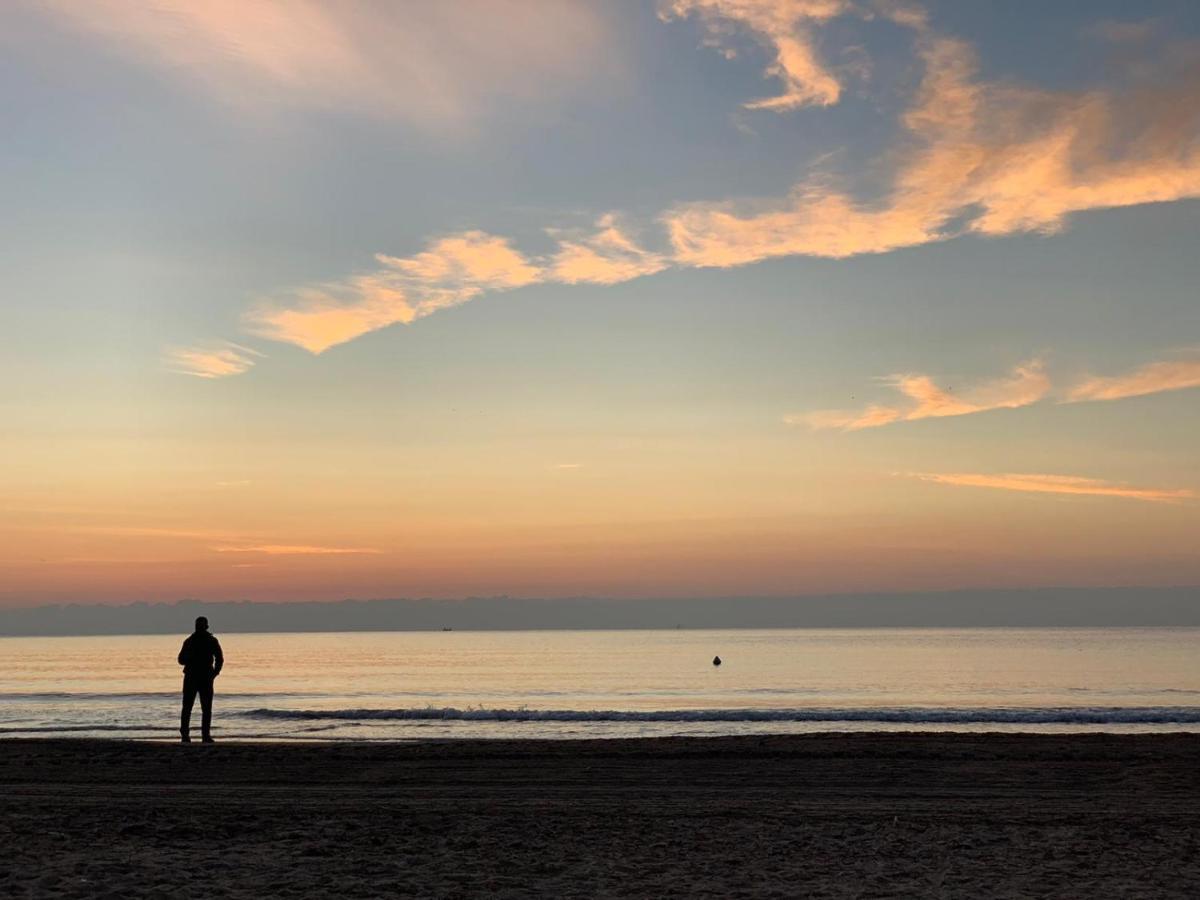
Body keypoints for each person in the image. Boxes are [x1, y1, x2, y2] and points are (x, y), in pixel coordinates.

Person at [178, 616, 223, 743]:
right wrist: (215, 672)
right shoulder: (195, 641)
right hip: (197, 677)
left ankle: (197, 735)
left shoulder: (194, 641)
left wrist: (215, 673)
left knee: (192, 707)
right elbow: (181, 660)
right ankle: (197, 735)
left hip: (199, 677)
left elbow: (220, 659)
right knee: (198, 708)